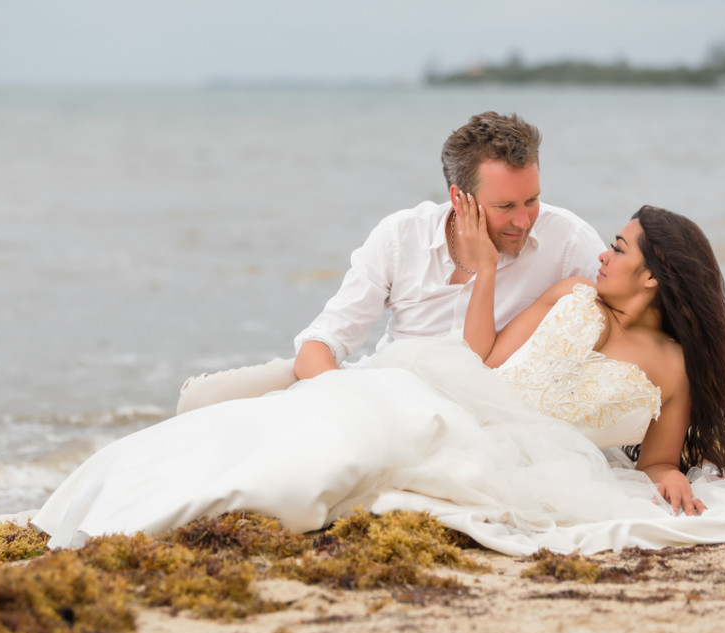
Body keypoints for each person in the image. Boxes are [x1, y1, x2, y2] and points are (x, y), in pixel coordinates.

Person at [0, 205, 725, 555]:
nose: (603, 251)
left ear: (657, 276)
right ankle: (31, 521)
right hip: (438, 390)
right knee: (248, 427)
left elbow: (661, 463)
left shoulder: (671, 366)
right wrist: (480, 275)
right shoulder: (568, 292)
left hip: (502, 451)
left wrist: (668, 475)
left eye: (623, 248)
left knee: (299, 466)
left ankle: (60, 535)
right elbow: (483, 358)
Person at [174, 111, 605, 413]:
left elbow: (634, 323)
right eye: (506, 204)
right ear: (459, 198)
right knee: (197, 404)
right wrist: (349, 405)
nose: (524, 219)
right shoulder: (402, 236)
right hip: (376, 388)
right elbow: (320, 346)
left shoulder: (567, 240)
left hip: (475, 411)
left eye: (532, 199)